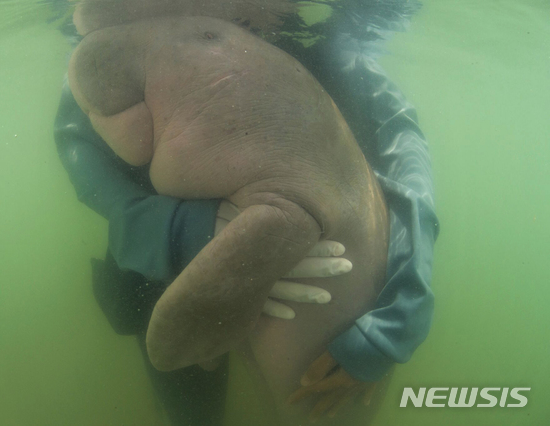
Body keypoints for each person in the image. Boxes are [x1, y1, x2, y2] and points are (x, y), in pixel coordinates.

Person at [53, 1, 439, 424]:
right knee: (192, 411)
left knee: (322, 400)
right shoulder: (107, 54)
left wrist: (393, 324)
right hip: (159, 272)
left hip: (322, 257)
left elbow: (407, 159)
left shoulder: (330, 53)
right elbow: (92, 178)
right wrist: (186, 233)